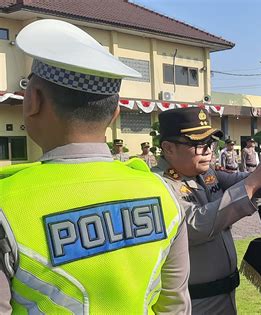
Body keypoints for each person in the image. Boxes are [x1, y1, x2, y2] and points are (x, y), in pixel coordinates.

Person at [0, 19, 191, 314]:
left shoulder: (7, 203)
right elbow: (174, 307)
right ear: (115, 113)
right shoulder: (162, 193)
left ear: (31, 101)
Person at [153, 107, 261, 315]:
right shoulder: (158, 184)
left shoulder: (204, 173)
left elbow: (249, 183)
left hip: (224, 294)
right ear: (168, 148)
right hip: (194, 302)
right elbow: (194, 225)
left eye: (209, 143)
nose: (208, 150)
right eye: (198, 144)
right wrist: (252, 182)